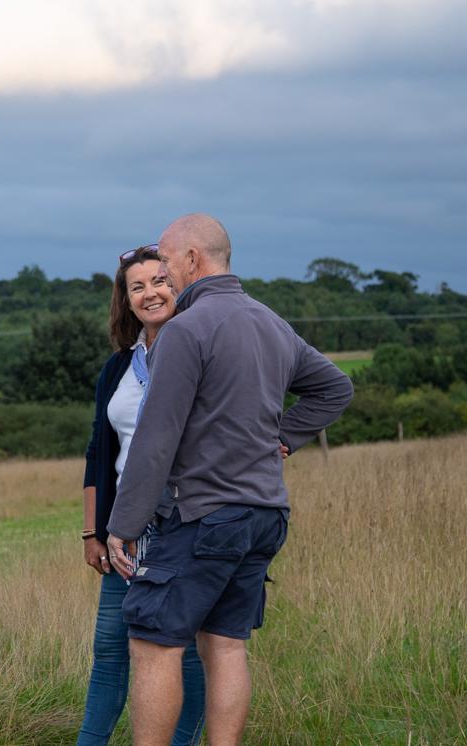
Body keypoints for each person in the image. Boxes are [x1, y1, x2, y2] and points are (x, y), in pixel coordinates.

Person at [106, 214, 353, 746]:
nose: (164, 275)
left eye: (168, 262)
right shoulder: (270, 322)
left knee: (153, 642)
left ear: (193, 259)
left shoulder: (187, 330)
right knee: (225, 645)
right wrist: (283, 437)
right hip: (265, 514)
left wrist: (122, 524)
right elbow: (335, 388)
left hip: (204, 515)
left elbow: (156, 439)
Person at [77, 245, 205, 746]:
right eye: (137, 286)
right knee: (110, 648)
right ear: (126, 302)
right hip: (123, 532)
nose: (151, 292)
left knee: (181, 649)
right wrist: (93, 530)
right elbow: (97, 452)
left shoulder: (200, 351)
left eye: (160, 281)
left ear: (181, 286)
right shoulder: (118, 368)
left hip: (184, 524)